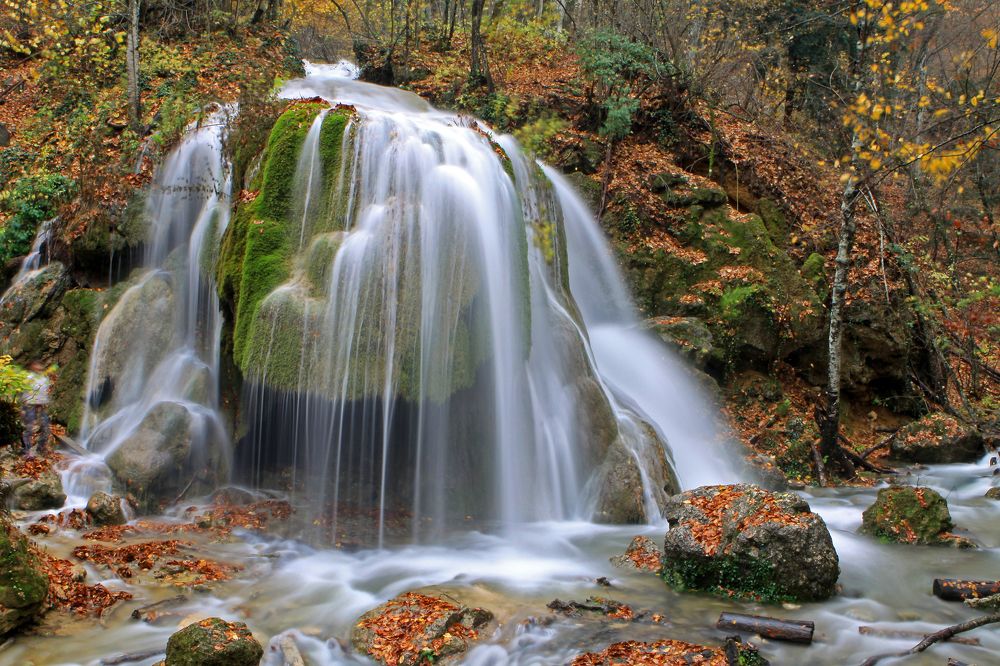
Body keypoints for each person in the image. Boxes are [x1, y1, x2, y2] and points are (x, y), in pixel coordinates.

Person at [21, 361, 51, 455]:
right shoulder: (28, 378)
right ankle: (27, 449)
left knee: (46, 428)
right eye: (36, 366)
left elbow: (45, 392)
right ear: (32, 367)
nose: (39, 367)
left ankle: (40, 448)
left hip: (41, 406)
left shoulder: (44, 378)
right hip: (29, 405)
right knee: (28, 428)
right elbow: (22, 392)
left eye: (40, 366)